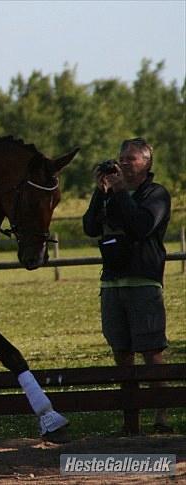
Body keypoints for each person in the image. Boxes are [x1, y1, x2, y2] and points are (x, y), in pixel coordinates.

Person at [82, 137, 172, 433]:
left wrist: (120, 192)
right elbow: (90, 227)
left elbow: (141, 226)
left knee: (151, 350)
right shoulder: (111, 193)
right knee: (121, 351)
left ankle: (161, 418)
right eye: (121, 158)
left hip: (143, 283)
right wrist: (100, 192)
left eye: (130, 159)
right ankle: (130, 421)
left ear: (146, 163)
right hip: (112, 283)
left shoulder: (156, 194)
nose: (122, 163)